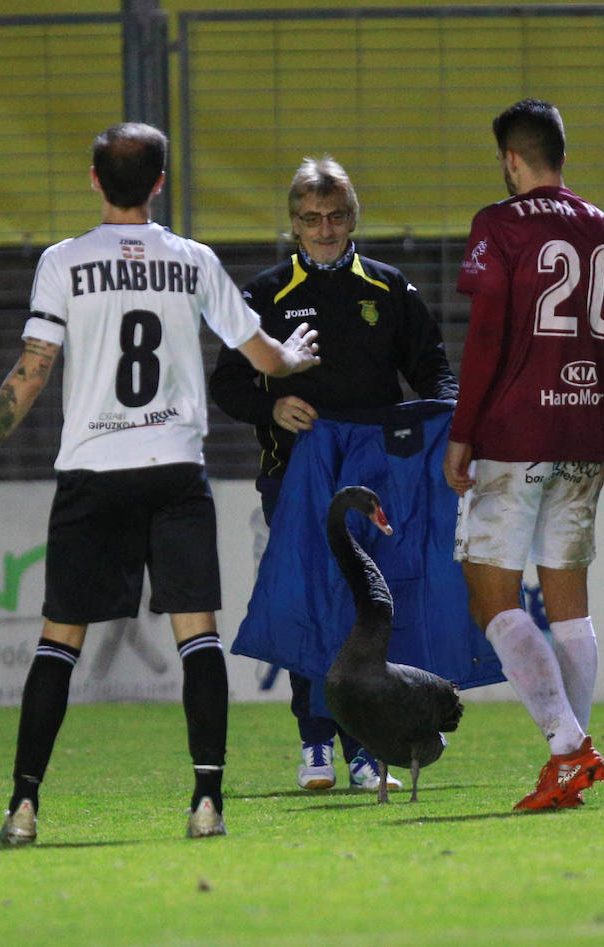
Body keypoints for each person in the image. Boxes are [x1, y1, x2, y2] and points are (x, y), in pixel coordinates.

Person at [0, 122, 320, 843]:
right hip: (172, 469)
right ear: (159, 183)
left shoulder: (63, 262)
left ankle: (24, 806)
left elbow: (32, 370)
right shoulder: (191, 260)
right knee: (197, 635)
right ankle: (207, 803)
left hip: (94, 474)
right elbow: (261, 354)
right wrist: (293, 354)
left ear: (95, 180)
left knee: (58, 640)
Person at [210, 156, 458, 793]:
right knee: (310, 605)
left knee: (372, 611)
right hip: (295, 476)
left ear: (354, 218)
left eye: (336, 215)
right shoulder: (265, 293)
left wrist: (444, 428)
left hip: (379, 479)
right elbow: (227, 384)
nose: (324, 228)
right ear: (293, 224)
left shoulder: (388, 288)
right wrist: (272, 404)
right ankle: (315, 744)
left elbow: (434, 371)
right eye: (310, 217)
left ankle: (368, 749)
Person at [443, 99, 604, 810]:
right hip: (583, 437)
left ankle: (567, 744)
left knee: (488, 591)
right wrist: (600, 438)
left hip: (516, 436)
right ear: (562, 154)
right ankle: (567, 763)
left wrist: (463, 429)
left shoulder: (499, 224)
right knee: (570, 607)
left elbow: (487, 334)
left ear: (511, 159)